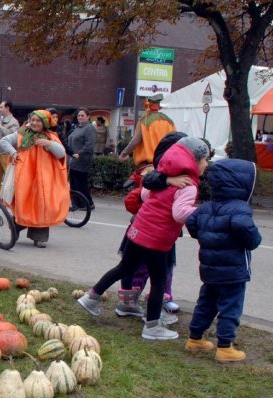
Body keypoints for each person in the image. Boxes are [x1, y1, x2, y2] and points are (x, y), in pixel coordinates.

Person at [77, 137, 208, 340]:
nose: (206, 165)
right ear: (194, 161)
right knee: (159, 281)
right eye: (205, 160)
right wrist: (201, 213)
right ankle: (153, 327)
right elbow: (179, 213)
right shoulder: (188, 185)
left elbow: (145, 195)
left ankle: (91, 297)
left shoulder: (162, 176)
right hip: (157, 239)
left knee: (124, 268)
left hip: (137, 230)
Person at [184, 159, 262, 363]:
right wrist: (254, 240)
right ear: (242, 184)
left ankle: (195, 338)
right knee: (231, 306)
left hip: (209, 267)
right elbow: (245, 229)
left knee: (206, 302)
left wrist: (206, 236)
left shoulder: (207, 207)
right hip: (234, 270)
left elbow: (191, 223)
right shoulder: (239, 208)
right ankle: (225, 346)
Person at [115, 131, 189, 321]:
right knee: (135, 270)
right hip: (145, 233)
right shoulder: (154, 176)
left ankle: (161, 302)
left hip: (166, 236)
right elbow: (135, 198)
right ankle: (130, 302)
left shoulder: (182, 178)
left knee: (165, 270)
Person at [0, 109, 70, 248]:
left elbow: (61, 154)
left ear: (44, 123)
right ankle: (16, 227)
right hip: (25, 177)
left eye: (38, 121)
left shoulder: (51, 136)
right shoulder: (21, 134)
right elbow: (4, 140)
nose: (34, 123)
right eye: (33, 120)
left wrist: (49, 144)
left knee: (42, 205)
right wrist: (13, 152)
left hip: (44, 179)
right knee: (23, 202)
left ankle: (39, 237)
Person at [119, 93, 176, 165]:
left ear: (147, 106)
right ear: (159, 106)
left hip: (150, 163)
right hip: (165, 162)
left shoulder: (144, 121)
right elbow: (175, 140)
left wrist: (123, 154)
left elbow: (135, 141)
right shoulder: (169, 121)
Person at [67, 108, 97, 207]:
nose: (80, 117)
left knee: (81, 183)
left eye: (82, 115)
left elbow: (89, 145)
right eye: (79, 115)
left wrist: (79, 154)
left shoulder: (89, 128)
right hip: (73, 159)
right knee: (74, 183)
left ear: (88, 117)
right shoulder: (78, 127)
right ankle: (77, 204)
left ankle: (87, 204)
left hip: (82, 159)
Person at [0, 101, 20, 198]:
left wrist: (0, 127)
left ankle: (12, 198)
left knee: (9, 178)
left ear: (7, 108)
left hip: (7, 154)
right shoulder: (2, 121)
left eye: (1, 107)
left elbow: (13, 137)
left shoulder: (13, 122)